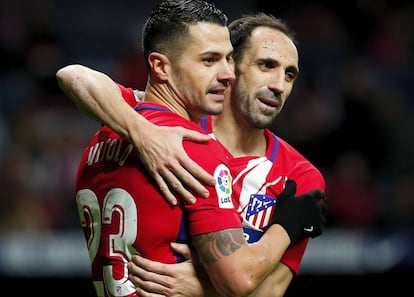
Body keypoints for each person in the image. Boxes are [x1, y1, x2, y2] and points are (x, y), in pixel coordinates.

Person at [57, 1, 327, 297]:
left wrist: (204, 289)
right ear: (235, 66)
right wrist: (146, 136)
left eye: (290, 75)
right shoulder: (187, 141)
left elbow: (271, 291)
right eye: (266, 65)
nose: (279, 85)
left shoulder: (300, 178)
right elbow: (74, 76)